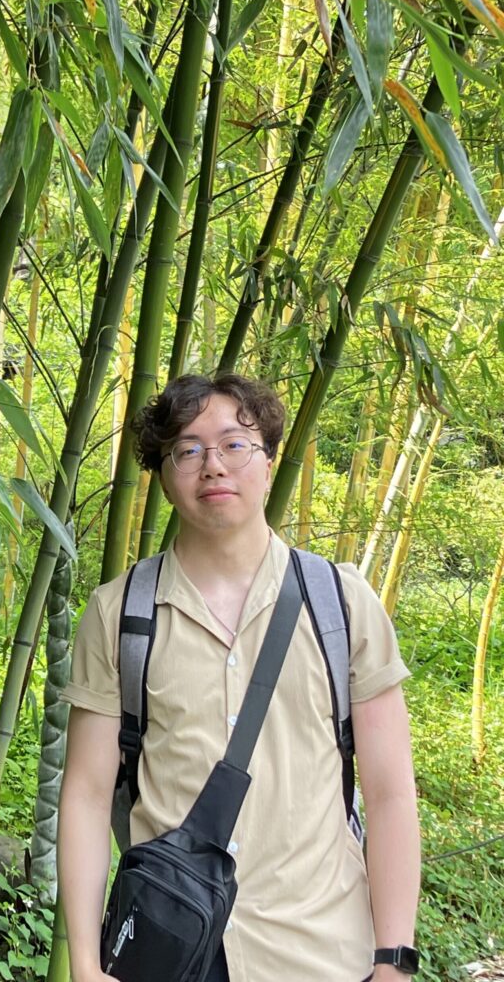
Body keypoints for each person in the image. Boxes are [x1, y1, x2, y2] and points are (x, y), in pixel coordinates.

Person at [58, 373, 421, 982]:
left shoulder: (342, 604)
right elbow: (89, 796)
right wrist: (87, 965)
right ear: (164, 474)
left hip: (321, 949)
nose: (213, 466)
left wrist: (394, 959)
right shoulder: (120, 613)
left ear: (270, 459)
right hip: (168, 952)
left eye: (234, 444)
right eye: (189, 449)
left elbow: (389, 794)